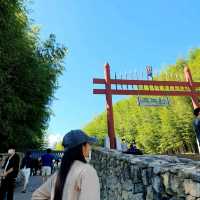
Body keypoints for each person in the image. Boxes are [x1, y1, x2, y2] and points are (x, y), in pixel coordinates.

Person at [32, 129, 100, 200]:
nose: (90, 147)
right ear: (82, 147)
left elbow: (36, 196)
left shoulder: (58, 174)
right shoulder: (87, 171)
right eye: (88, 144)